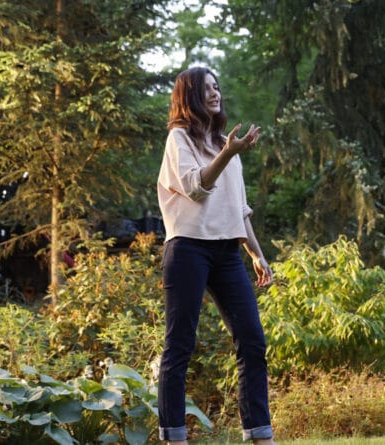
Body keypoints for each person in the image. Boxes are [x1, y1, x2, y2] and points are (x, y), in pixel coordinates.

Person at [156, 66, 277, 445]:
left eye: (217, 86)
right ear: (190, 95)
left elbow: (238, 209)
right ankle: (175, 437)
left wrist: (256, 254)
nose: (215, 92)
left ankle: (260, 434)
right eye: (206, 88)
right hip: (188, 247)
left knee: (252, 341)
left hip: (227, 252)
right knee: (180, 345)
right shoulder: (179, 139)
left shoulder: (226, 142)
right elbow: (197, 187)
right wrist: (227, 153)